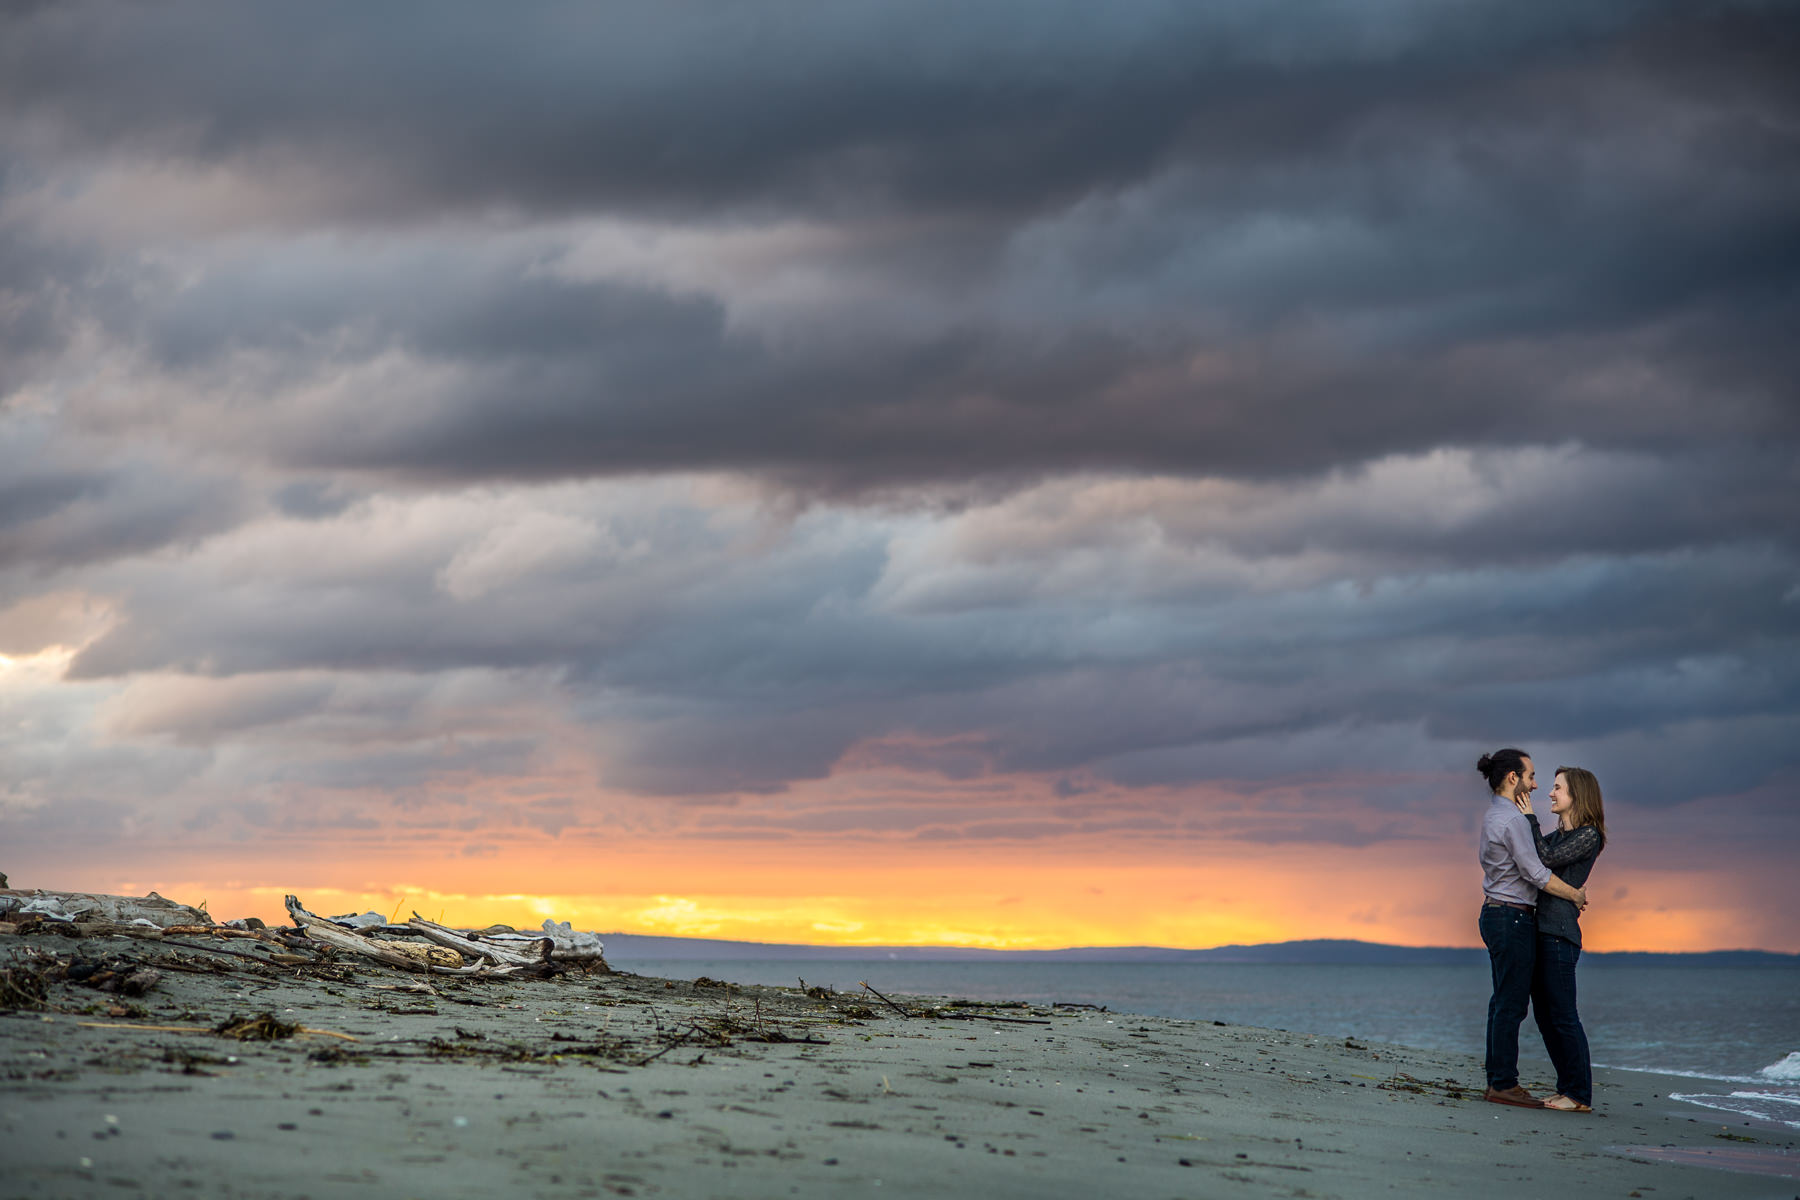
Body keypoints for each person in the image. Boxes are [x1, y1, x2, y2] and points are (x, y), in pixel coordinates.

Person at [1476, 748, 1588, 1108]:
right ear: (1514, 779)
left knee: (1502, 1002)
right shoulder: (1511, 821)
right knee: (1510, 1005)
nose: (1536, 784)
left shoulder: (1497, 815)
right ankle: (1503, 1084)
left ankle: (1498, 1080)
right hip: (1512, 917)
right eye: (1531, 776)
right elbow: (1537, 872)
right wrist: (1575, 894)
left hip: (1499, 914)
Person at [1522, 767, 1607, 1113]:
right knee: (1545, 1017)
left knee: (1563, 1016)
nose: (1551, 793)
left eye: (1558, 788)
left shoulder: (1590, 835)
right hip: (1542, 933)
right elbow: (1536, 859)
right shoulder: (1559, 836)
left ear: (1578, 795)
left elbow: (1544, 859)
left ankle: (1579, 1095)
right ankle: (1566, 1088)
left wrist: (1529, 819)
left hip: (1560, 936)